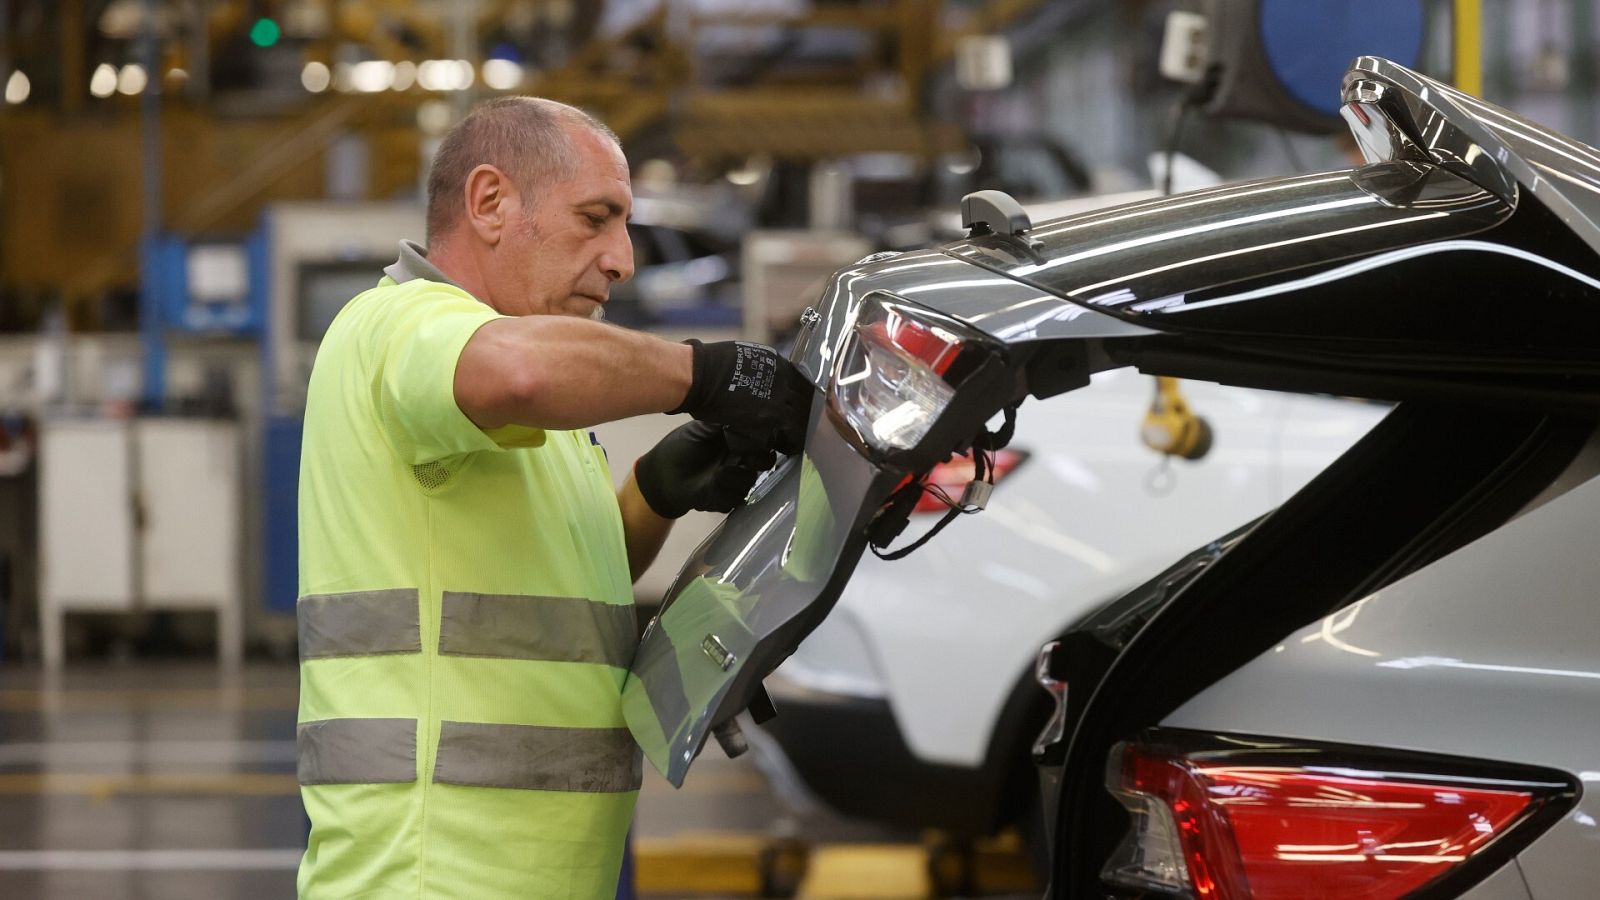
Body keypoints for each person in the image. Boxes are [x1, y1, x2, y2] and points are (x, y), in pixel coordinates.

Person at [294, 97, 811, 898]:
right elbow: (519, 371)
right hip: (433, 875)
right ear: (490, 202)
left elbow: (567, 583)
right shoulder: (396, 324)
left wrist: (653, 493)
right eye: (596, 219)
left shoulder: (532, 413)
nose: (623, 260)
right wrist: (708, 375)